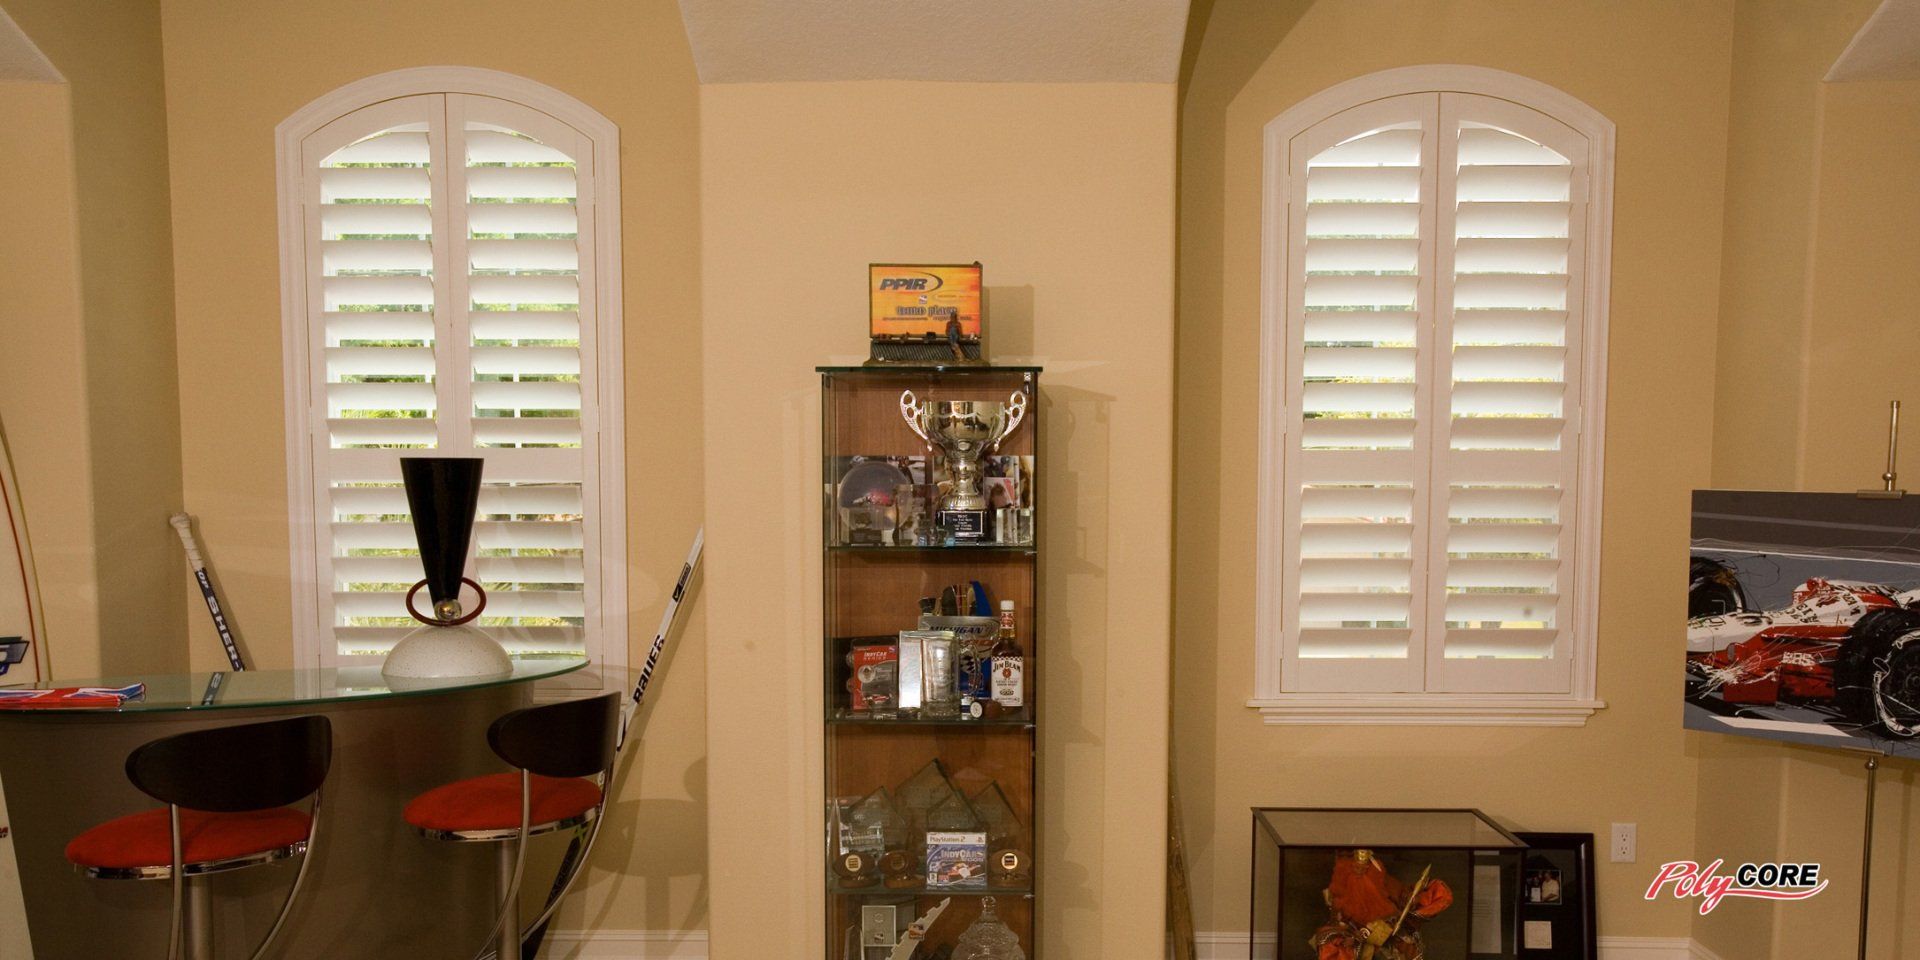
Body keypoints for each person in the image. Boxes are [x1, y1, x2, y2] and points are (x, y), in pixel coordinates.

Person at [1308, 849, 1453, 960]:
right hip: (1351, 932)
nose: (1360, 868)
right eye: (1357, 864)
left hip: (1385, 928)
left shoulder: (1378, 875)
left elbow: (1399, 896)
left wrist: (1411, 899)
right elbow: (1338, 910)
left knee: (1405, 946)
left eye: (1364, 864)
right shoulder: (1344, 874)